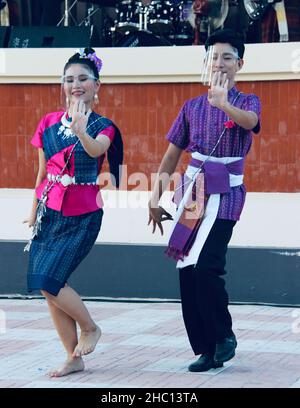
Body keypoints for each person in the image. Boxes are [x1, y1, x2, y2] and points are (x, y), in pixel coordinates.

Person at [148, 29, 260, 372]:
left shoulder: (248, 101)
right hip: (192, 191)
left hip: (227, 192)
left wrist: (223, 102)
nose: (220, 63)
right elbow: (171, 155)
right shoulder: (191, 107)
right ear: (206, 61)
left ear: (239, 63)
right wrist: (156, 197)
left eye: (228, 57)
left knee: (209, 264)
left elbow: (251, 123)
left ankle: (224, 337)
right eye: (214, 56)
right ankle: (206, 348)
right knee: (187, 267)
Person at [24, 47, 123, 377]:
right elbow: (41, 173)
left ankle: (90, 327)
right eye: (69, 79)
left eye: (83, 78)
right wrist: (33, 208)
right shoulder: (48, 123)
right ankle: (72, 356)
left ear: (97, 85)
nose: (76, 84)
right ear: (62, 85)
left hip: (82, 214)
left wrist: (81, 130)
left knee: (51, 280)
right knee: (45, 284)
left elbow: (97, 151)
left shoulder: (103, 125)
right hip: (48, 213)